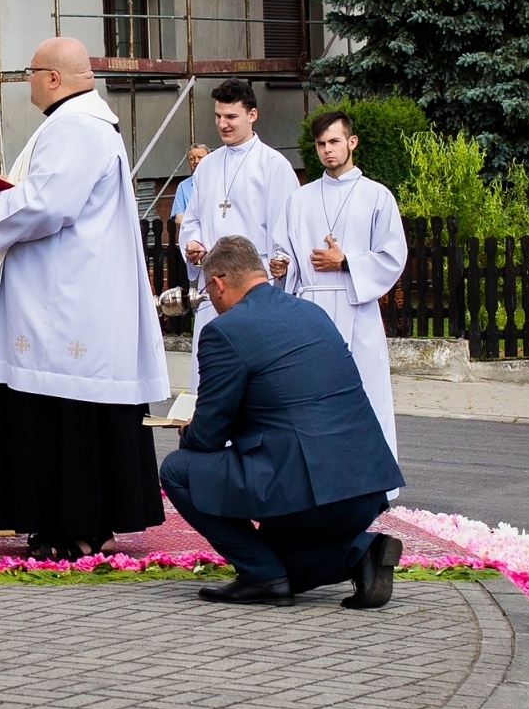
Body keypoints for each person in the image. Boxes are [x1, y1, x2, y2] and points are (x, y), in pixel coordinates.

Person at [0, 36, 169, 561]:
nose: (26, 80)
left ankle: (76, 525)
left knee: (63, 417)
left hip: (65, 305)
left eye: (31, 71)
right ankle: (78, 523)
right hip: (73, 295)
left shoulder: (76, 126)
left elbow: (51, 203)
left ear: (53, 78)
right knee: (73, 418)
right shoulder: (83, 122)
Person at [160, 236, 406, 608]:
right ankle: (361, 553)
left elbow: (208, 436)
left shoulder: (224, 332)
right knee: (285, 561)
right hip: (366, 488)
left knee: (178, 469)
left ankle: (263, 576)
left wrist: (187, 429)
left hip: (307, 493)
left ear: (218, 283)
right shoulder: (312, 312)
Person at [271, 110, 407, 459]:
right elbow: (283, 249)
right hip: (310, 310)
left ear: (351, 142)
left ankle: (372, 479)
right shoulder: (300, 199)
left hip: (356, 309)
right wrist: (281, 265)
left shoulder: (377, 197)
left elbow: (392, 256)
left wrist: (345, 262)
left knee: (366, 394)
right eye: (320, 144)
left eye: (334, 141)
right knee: (309, 398)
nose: (327, 150)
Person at [178, 79, 299, 390]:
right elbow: (192, 220)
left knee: (251, 374)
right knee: (211, 373)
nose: (222, 124)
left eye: (231, 117)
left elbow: (286, 229)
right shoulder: (207, 167)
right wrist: (193, 245)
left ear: (252, 115)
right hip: (213, 284)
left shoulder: (274, 166)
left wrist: (280, 267)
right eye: (218, 116)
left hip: (253, 283)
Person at [169, 144, 210, 223]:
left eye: (200, 157)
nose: (196, 161)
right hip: (193, 232)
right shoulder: (183, 186)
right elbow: (179, 218)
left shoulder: (219, 181)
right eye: (192, 159)